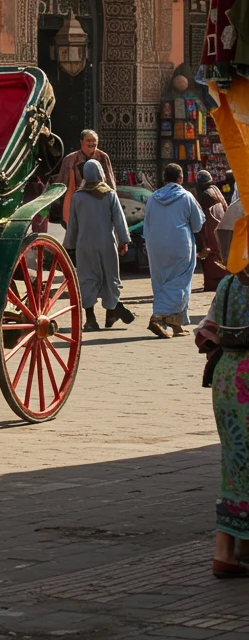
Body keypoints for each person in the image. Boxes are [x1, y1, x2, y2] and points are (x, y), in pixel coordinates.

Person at [194, 271, 249, 577]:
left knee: (234, 464)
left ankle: (226, 552)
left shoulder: (228, 284)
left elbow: (206, 332)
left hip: (227, 375)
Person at [63, 159, 134, 332]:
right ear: (101, 173)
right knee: (111, 277)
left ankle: (91, 320)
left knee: (87, 279)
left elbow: (73, 225)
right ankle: (112, 312)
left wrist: (69, 246)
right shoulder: (109, 194)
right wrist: (124, 240)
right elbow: (119, 220)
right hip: (107, 244)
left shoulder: (77, 197)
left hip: (84, 246)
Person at [143, 163, 206, 338]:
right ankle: (158, 317)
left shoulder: (153, 198)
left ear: (164, 179)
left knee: (161, 281)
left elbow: (147, 224)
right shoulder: (186, 197)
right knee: (179, 282)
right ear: (181, 178)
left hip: (156, 246)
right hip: (180, 245)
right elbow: (197, 225)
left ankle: (176, 323)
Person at [58, 129, 116, 227]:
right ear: (82, 142)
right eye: (89, 140)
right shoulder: (70, 160)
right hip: (77, 203)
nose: (92, 143)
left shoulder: (103, 157)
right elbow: (62, 185)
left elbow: (110, 183)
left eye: (94, 141)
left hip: (98, 202)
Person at [194, 170, 229, 293]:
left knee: (210, 258)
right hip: (220, 229)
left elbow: (204, 217)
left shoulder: (205, 194)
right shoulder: (215, 190)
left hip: (210, 231)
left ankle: (213, 284)